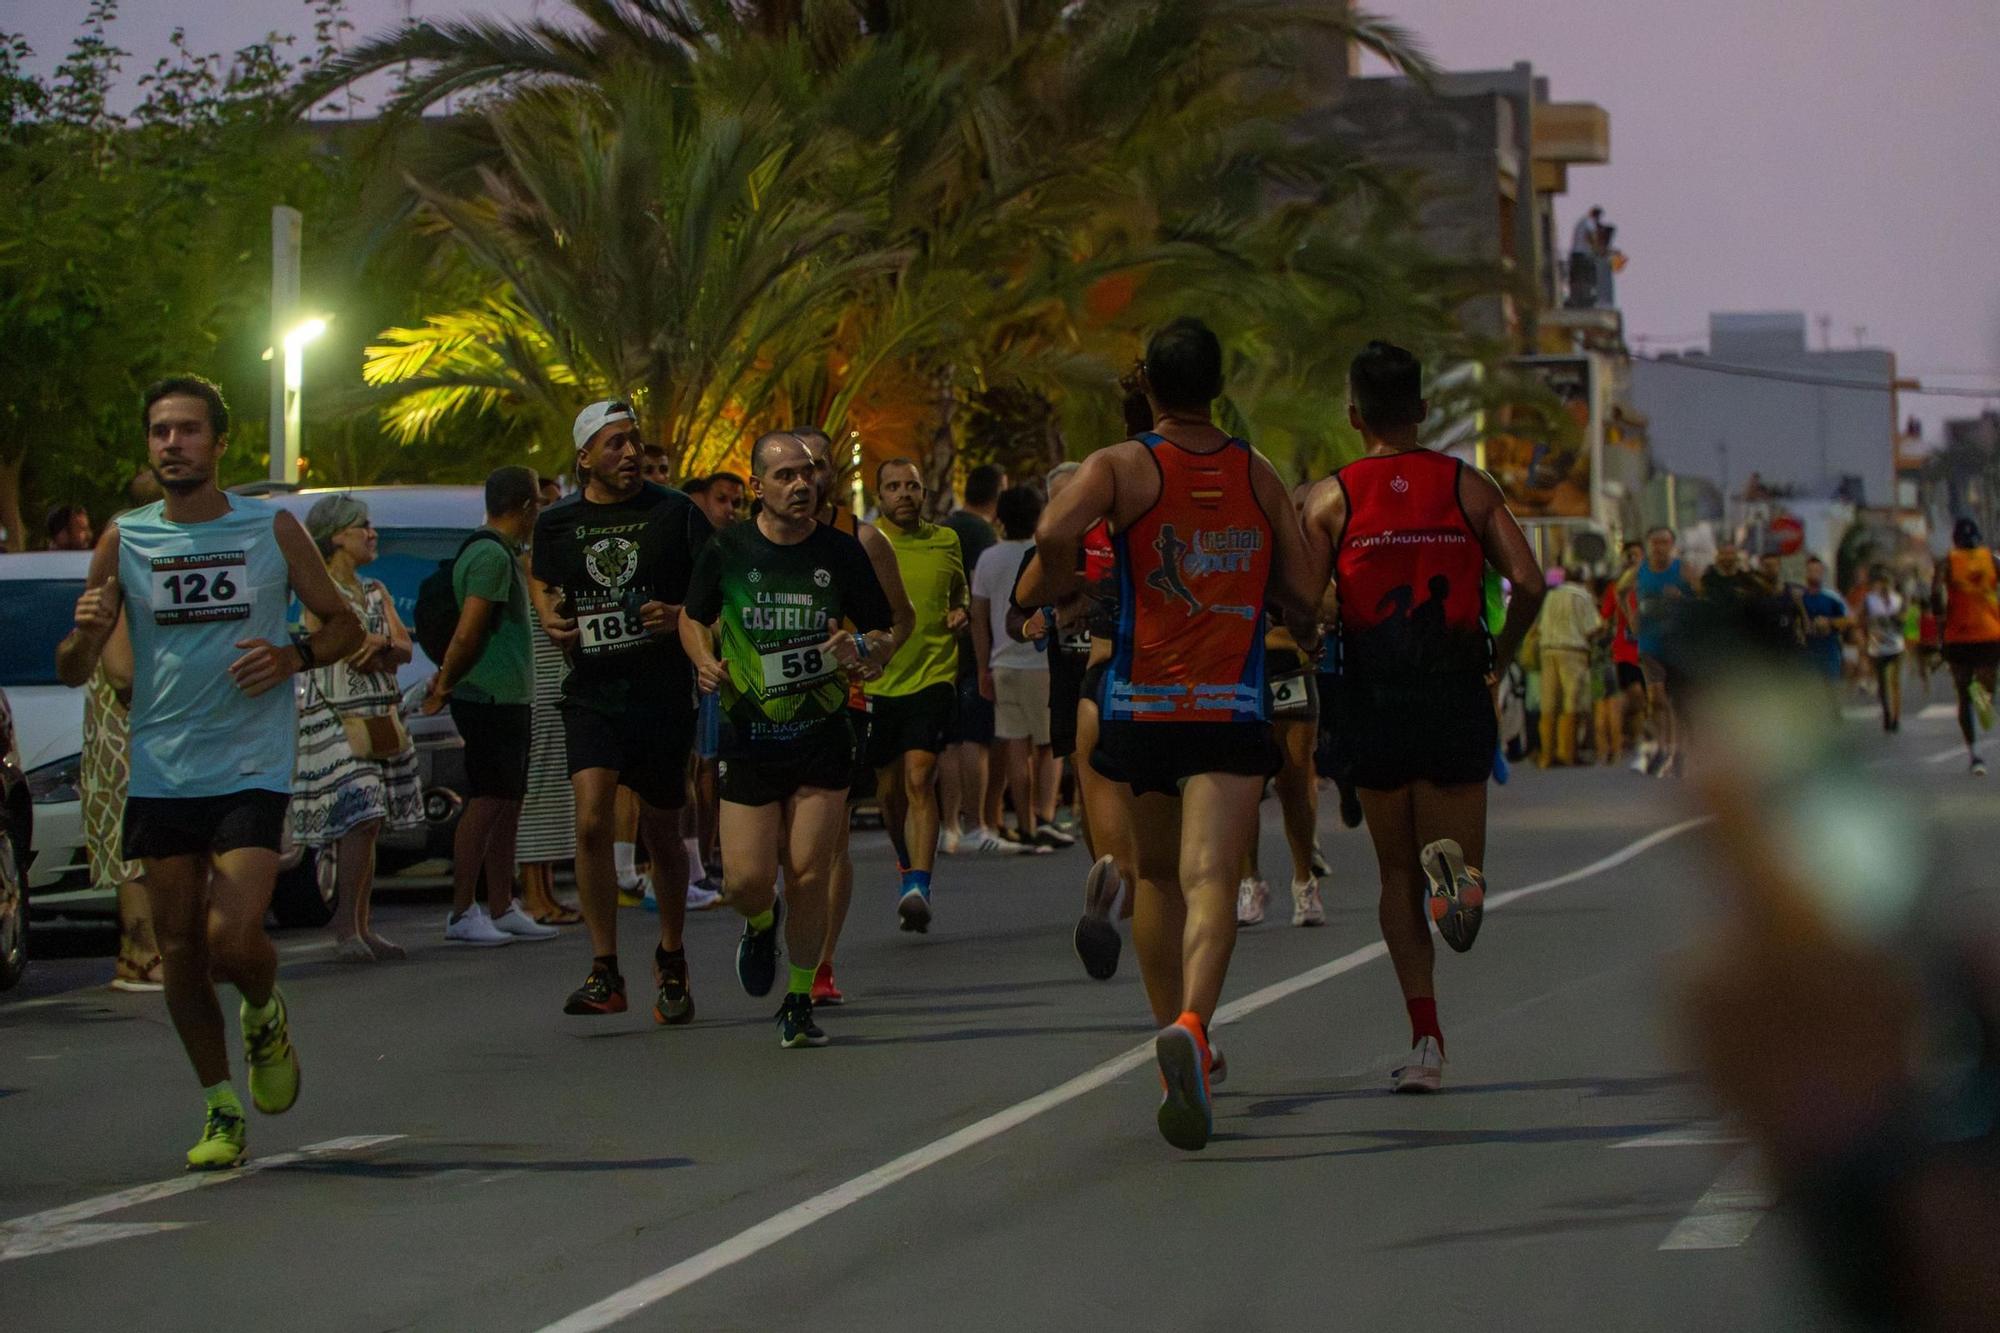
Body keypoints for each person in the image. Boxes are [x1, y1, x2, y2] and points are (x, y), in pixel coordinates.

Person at [1023, 316, 1323, 1149]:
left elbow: (1052, 532)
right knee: (1211, 877)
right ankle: (1193, 1022)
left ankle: (1172, 1047)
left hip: (1143, 703)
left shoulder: (1120, 465)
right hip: (1230, 704)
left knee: (1154, 878)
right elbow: (1302, 585)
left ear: (1147, 382)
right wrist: (1295, 616)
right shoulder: (1255, 471)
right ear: (1217, 385)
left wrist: (1055, 591)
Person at [55, 374, 363, 1170]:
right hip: (162, 765)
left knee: (231, 933)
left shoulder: (273, 528)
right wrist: (85, 634)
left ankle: (264, 1007)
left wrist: (292, 654)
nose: (172, 444)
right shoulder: (124, 539)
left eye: (188, 431)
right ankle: (220, 1104)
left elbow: (341, 625)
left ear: (219, 444)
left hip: (251, 759)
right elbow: (73, 667)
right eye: (160, 431)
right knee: (183, 945)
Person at [1299, 340, 1544, 1095]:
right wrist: (1498, 651)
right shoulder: (1467, 486)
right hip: (1453, 692)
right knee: (1458, 884)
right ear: (1424, 410)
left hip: (1374, 696)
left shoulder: (1332, 498)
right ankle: (1461, 888)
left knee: (1394, 873)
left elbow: (1303, 604)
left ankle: (1427, 1041)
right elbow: (1530, 580)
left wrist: (1323, 630)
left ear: (1353, 415)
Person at [680, 431, 896, 1047]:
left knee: (807, 872)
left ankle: (799, 999)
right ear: (757, 487)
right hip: (749, 731)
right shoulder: (728, 549)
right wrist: (701, 659)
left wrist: (859, 649)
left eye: (808, 474)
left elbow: (883, 632)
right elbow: (692, 617)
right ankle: (760, 922)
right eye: (785, 476)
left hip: (822, 734)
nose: (802, 484)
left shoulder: (842, 551)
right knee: (744, 882)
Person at [531, 401, 712, 1020]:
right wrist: (549, 615)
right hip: (593, 692)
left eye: (635, 441)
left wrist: (679, 614)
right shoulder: (557, 523)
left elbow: (713, 587)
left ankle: (671, 956)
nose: (631, 453)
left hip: (660, 693)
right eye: (616, 444)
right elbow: (543, 579)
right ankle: (604, 968)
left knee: (663, 831)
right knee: (590, 821)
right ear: (585, 456)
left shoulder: (675, 512)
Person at [421, 466, 557, 948]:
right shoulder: (489, 556)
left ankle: (503, 904)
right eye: (538, 503)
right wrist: (446, 682)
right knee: (487, 801)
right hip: (488, 696)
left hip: (511, 696)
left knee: (508, 803)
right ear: (524, 506)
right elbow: (469, 630)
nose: (540, 512)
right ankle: (463, 910)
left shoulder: (504, 554)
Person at [293, 495, 424, 962]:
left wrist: (383, 643)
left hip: (376, 715)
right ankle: (346, 925)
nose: (372, 533)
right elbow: (333, 643)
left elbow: (401, 646)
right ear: (336, 536)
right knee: (361, 813)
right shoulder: (318, 589)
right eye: (361, 526)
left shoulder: (374, 590)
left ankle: (360, 924)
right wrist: (376, 644)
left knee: (369, 826)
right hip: (335, 717)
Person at [863, 457, 968, 941]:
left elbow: (958, 594)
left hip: (933, 674)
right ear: (879, 495)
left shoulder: (946, 540)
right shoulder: (864, 545)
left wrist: (960, 612)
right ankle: (907, 868)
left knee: (920, 777)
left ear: (923, 494)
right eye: (893, 487)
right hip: (879, 681)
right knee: (888, 793)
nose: (903, 493)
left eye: (912, 486)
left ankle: (921, 888)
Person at [972, 486, 1066, 849]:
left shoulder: (989, 559)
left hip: (1004, 664)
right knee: (1047, 746)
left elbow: (979, 618)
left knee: (1015, 745)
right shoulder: (1043, 554)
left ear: (1000, 517)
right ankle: (1045, 817)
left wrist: (984, 666)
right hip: (1043, 662)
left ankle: (1024, 824)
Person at [78, 613, 161, 990]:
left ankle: (133, 953)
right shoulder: (122, 597)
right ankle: (145, 955)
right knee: (137, 846)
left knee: (127, 840)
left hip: (116, 735)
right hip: (129, 733)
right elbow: (122, 673)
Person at [516, 476, 584, 927]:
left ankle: (547, 891)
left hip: (560, 677)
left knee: (554, 787)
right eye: (543, 504)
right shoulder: (528, 564)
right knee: (535, 788)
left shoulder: (554, 562)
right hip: (537, 680)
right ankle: (532, 894)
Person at [940, 463, 1008, 854]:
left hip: (942, 644)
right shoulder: (983, 535)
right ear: (997, 494)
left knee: (948, 740)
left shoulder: (945, 527)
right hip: (973, 645)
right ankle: (976, 822)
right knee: (974, 739)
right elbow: (988, 596)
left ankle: (948, 825)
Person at [1624, 526, 1694, 776]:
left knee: (1677, 702)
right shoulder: (1640, 570)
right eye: (1654, 542)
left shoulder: (1682, 570)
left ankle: (1678, 751)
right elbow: (1621, 590)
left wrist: (1682, 598)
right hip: (1650, 641)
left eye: (1664, 542)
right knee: (1656, 700)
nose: (1659, 547)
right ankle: (1662, 747)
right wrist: (1631, 614)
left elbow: (1701, 598)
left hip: (1677, 642)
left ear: (1672, 544)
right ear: (1648, 545)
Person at [1933, 518, 2000, 775]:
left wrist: (1940, 626)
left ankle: (1975, 754)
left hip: (1957, 638)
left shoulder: (1947, 563)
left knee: (1964, 696)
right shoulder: (1992, 559)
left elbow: (1935, 594)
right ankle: (1982, 701)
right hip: (1988, 635)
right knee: (1985, 691)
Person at [1533, 566, 1600, 768]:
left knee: (1550, 702)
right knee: (1572, 702)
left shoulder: (1551, 596)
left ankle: (1547, 755)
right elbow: (1592, 627)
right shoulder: (1582, 596)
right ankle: (1568, 753)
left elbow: (1541, 626)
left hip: (1548, 650)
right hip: (1573, 651)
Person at [1861, 568, 1905, 732]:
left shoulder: (1898, 599)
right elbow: (1863, 619)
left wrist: (1898, 619)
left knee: (1895, 682)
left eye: (1888, 583)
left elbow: (1903, 619)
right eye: (1882, 584)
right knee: (1882, 683)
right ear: (1877, 585)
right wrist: (1869, 633)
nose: (1885, 587)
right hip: (1878, 647)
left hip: (1896, 645)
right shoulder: (1870, 600)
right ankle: (1887, 712)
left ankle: (1896, 717)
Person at [1798, 556, 1850, 691]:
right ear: (1805, 573)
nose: (1814, 574)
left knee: (1831, 692)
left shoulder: (1832, 597)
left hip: (1829, 651)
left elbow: (1848, 620)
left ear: (1822, 572)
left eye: (1817, 570)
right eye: (1811, 570)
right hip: (1807, 653)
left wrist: (1829, 622)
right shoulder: (1799, 597)